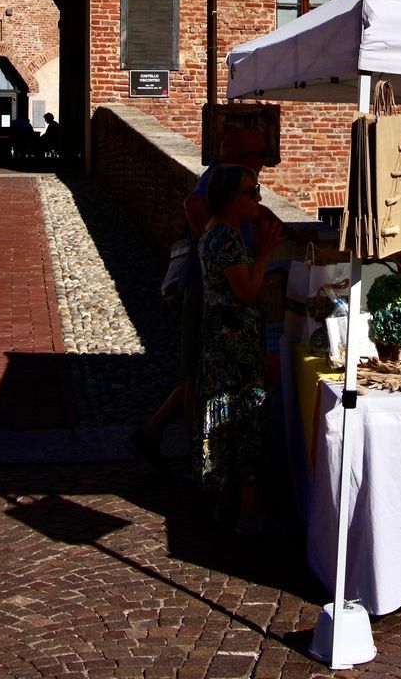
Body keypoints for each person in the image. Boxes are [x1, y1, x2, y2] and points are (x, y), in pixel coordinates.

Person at [129, 127, 282, 471]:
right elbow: (195, 206)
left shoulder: (228, 184)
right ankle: (194, 454)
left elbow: (256, 213)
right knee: (200, 376)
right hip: (209, 295)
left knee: (200, 375)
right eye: (260, 155)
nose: (267, 161)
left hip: (214, 291)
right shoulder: (219, 184)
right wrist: (222, 249)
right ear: (242, 158)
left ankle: (177, 445)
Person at [194, 164, 283, 533]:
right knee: (247, 420)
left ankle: (223, 504)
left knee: (226, 422)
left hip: (219, 340)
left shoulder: (214, 230)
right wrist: (264, 253)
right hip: (236, 345)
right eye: (250, 191)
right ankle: (249, 514)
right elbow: (246, 291)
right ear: (230, 198)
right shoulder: (228, 238)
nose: (258, 197)